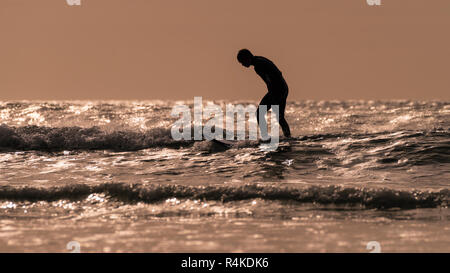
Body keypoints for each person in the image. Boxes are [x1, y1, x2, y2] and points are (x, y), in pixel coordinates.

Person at [237, 49, 291, 139]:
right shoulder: (259, 60)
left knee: (260, 113)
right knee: (279, 116)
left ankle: (265, 137)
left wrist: (273, 95)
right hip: (282, 88)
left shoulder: (259, 65)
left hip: (277, 90)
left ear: (247, 58)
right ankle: (288, 136)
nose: (242, 65)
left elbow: (273, 77)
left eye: (242, 62)